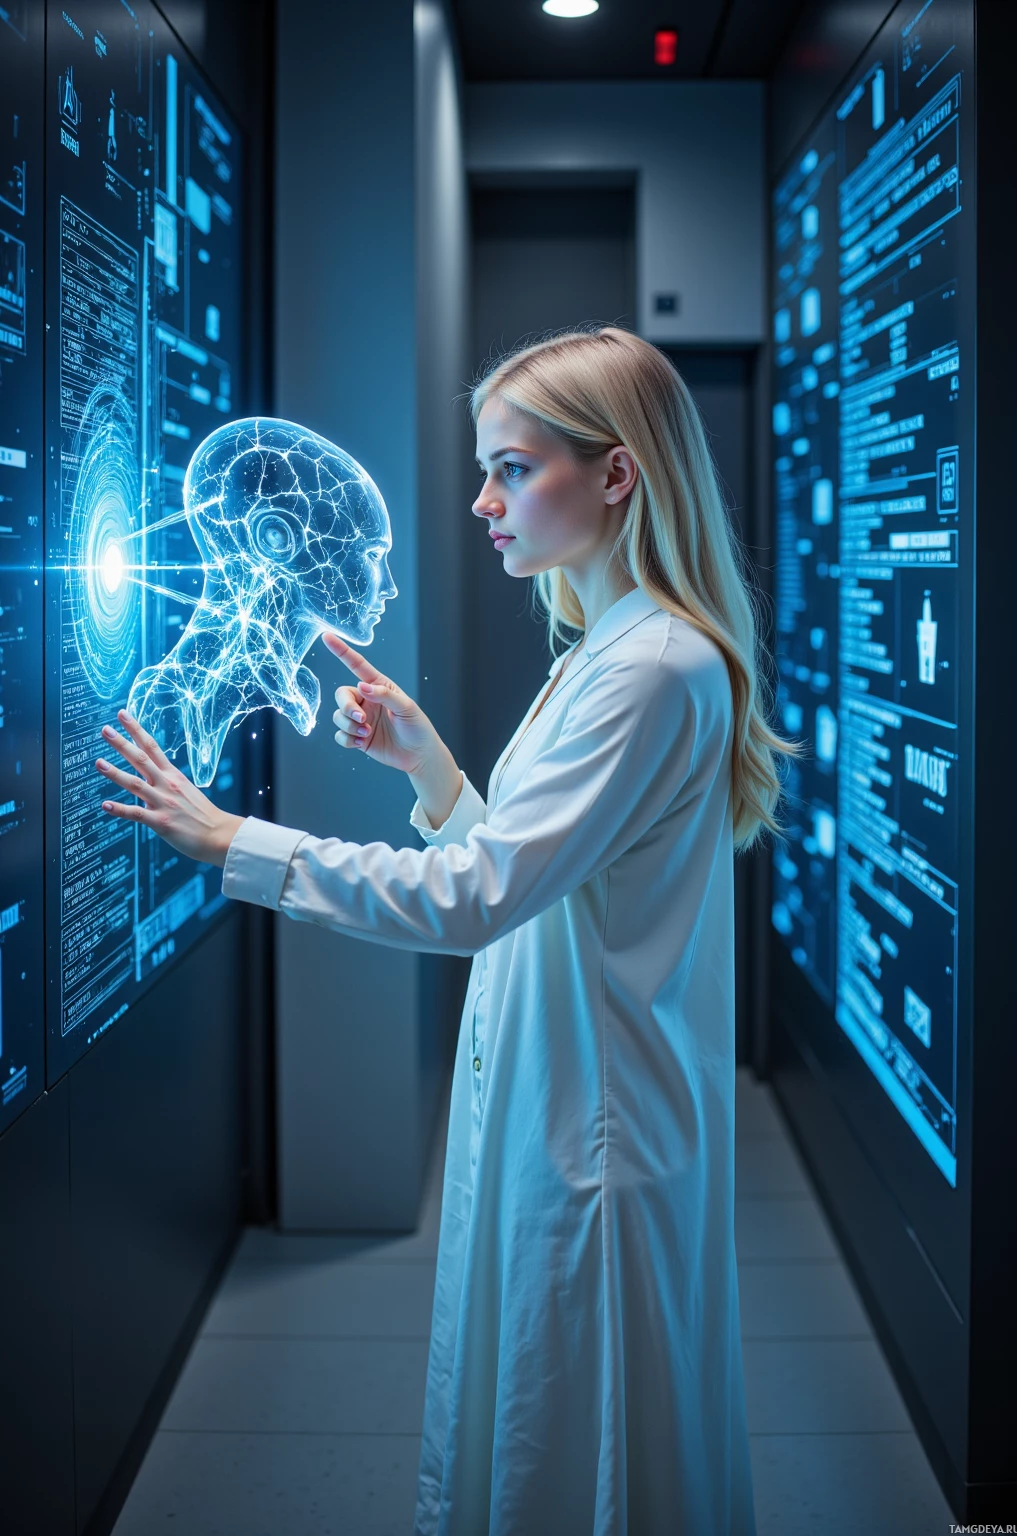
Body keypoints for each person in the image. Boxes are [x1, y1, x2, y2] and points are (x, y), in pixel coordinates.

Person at [95, 327, 794, 1535]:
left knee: (587, 1460)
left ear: (616, 475)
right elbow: (545, 878)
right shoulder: (612, 651)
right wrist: (430, 769)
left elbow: (481, 898)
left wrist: (237, 846)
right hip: (573, 1104)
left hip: (597, 1136)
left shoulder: (648, 670)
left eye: (512, 470)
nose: (482, 502)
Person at [127, 417, 396, 785]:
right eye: (372, 555)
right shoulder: (164, 705)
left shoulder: (302, 691)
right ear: (276, 539)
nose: (390, 587)